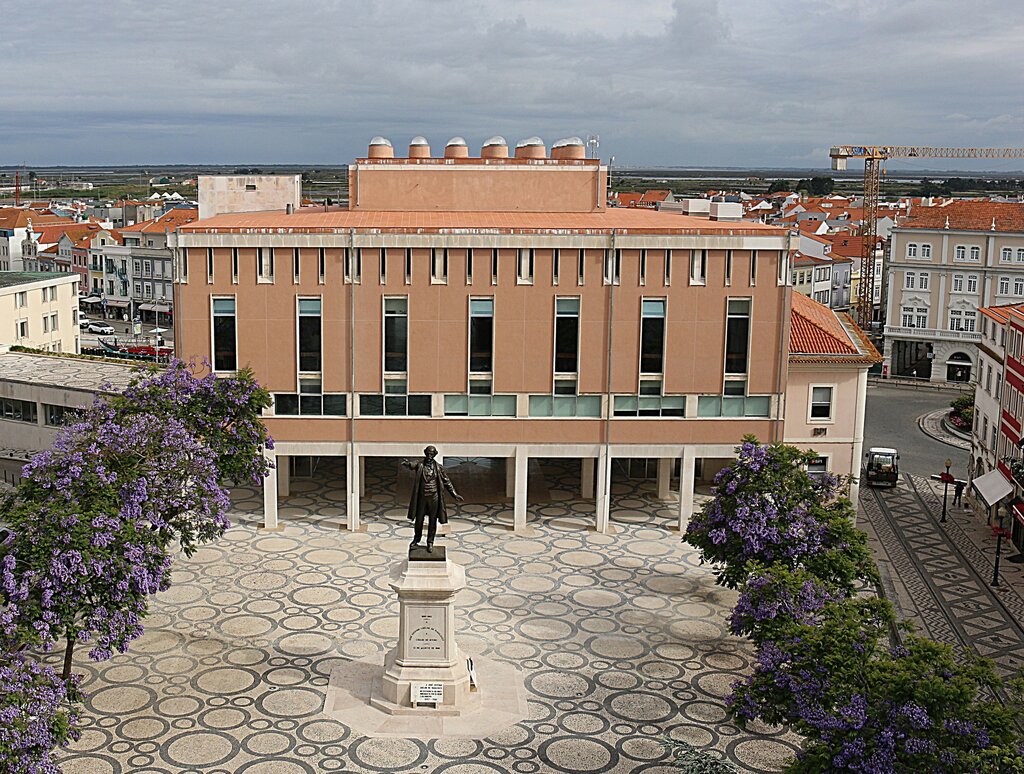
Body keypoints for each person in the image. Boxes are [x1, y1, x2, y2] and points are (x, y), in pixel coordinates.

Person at [402, 446, 463, 552]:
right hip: (422, 498)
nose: (429, 456)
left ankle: (430, 542)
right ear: (425, 453)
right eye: (428, 454)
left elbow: (446, 481)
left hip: (434, 498)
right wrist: (407, 464)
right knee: (419, 520)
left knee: (432, 520)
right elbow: (412, 465)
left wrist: (454, 494)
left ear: (435, 455)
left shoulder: (438, 468)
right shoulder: (420, 465)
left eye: (431, 454)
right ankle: (416, 539)